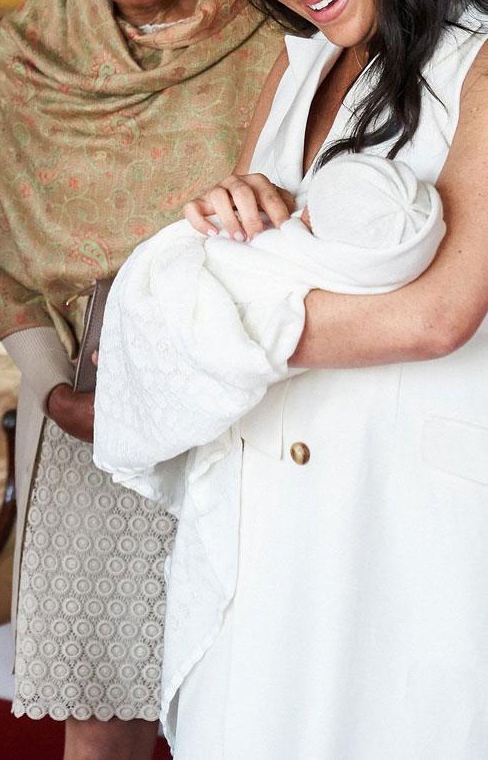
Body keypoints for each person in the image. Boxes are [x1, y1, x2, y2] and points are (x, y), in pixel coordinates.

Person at [157, 0, 488, 758]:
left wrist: (210, 325)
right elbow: (260, 246)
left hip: (406, 516)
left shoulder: (480, 60)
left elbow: (443, 312)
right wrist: (238, 215)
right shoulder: (303, 62)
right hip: (276, 508)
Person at [0, 0, 283, 760]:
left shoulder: (278, 14)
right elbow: (10, 256)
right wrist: (53, 387)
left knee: (252, 705)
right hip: (96, 411)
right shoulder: (33, 54)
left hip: (259, 402)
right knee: (108, 727)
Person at [93, 154, 445, 747]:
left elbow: (435, 320)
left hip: (344, 463)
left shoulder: (311, 259)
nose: (299, 218)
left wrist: (161, 346)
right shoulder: (297, 66)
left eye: (311, 219)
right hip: (259, 460)